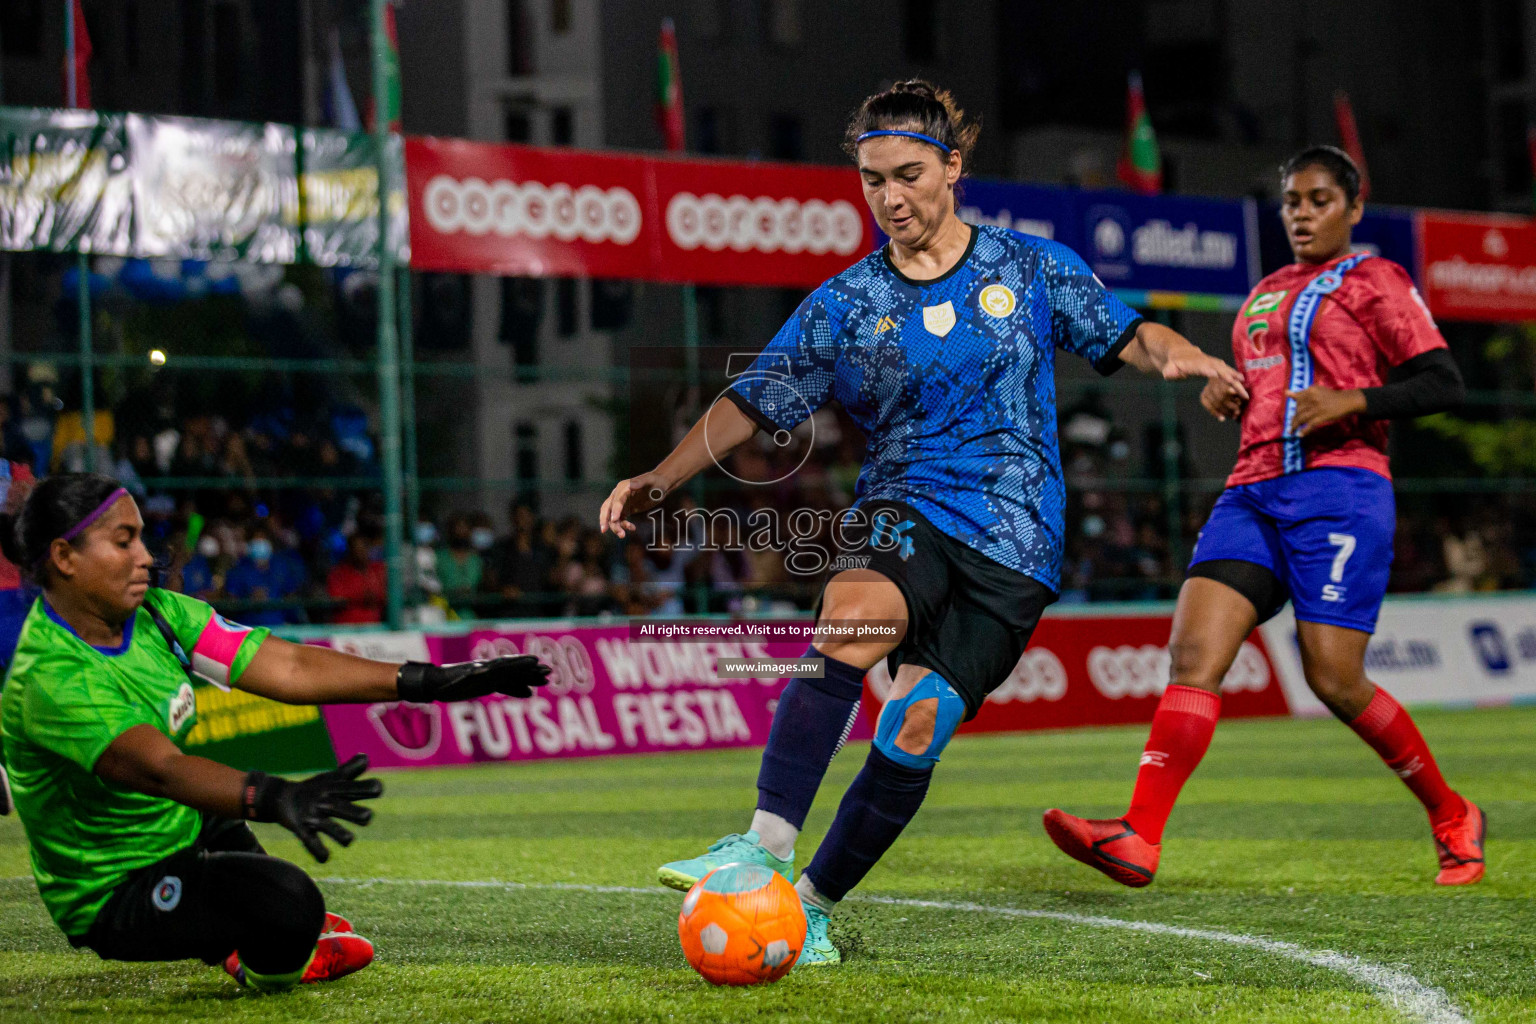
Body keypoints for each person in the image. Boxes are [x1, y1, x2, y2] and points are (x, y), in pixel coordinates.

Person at [598, 80, 1247, 964]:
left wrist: (1192, 356)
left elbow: (1129, 335)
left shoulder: (1029, 268)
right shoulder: (846, 302)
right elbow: (752, 400)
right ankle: (764, 842)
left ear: (954, 167)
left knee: (914, 728)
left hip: (1017, 545)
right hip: (903, 504)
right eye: (872, 181)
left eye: (908, 175)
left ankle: (814, 904)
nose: (891, 198)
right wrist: (661, 478)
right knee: (852, 620)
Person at [1043, 146, 1481, 888]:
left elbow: (1444, 382)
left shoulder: (1377, 279)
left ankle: (1450, 812)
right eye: (1292, 202)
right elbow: (1271, 385)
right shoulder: (1265, 294)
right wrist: (1231, 395)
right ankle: (1138, 835)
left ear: (1353, 207)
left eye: (1318, 200)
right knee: (1192, 654)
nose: (1303, 214)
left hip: (1340, 491)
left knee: (1335, 680)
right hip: (1252, 490)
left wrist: (1356, 401)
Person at [0, 474, 550, 988]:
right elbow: (160, 769)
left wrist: (429, 680)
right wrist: (274, 796)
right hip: (115, 891)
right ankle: (257, 960)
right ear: (65, 557)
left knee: (267, 894)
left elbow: (290, 667)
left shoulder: (160, 615)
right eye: (124, 542)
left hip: (181, 825)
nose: (147, 557)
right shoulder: (51, 675)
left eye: (142, 538)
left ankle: (244, 922)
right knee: (290, 903)